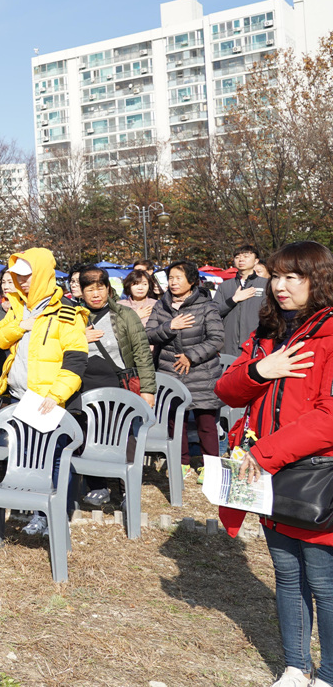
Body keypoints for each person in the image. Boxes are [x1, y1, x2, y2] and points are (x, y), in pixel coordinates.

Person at [216, 241, 333, 687]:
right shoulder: (269, 332)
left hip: (315, 476)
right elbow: (227, 390)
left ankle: (328, 674)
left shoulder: (330, 334)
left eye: (293, 277)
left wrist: (259, 457)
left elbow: (328, 418)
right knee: (286, 574)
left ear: (317, 280)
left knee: (324, 581)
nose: (280, 286)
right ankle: (295, 666)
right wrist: (262, 371)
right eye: (277, 276)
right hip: (265, 473)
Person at [0, 249, 88, 536]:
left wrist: (56, 395)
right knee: (28, 456)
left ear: (43, 274)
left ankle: (55, 516)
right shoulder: (17, 308)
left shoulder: (67, 312)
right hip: (20, 398)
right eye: (17, 277)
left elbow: (76, 359)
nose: (21, 283)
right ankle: (36, 511)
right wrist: (21, 326)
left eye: (27, 277)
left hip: (50, 401)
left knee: (56, 458)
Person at [74, 267, 158, 506]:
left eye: (100, 288)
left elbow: (143, 354)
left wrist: (148, 390)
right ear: (82, 292)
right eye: (90, 289)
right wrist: (80, 337)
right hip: (84, 387)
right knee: (87, 434)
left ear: (109, 289)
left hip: (118, 384)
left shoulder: (125, 315)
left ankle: (127, 489)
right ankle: (97, 486)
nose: (96, 294)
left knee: (125, 436)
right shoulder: (72, 317)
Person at [147, 260, 225, 483]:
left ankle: (210, 466)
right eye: (170, 278)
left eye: (178, 278)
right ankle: (181, 463)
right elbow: (148, 334)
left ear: (191, 281)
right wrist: (170, 327)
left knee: (206, 422)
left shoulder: (205, 306)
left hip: (202, 373)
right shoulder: (162, 305)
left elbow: (217, 339)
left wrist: (192, 355)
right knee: (174, 421)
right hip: (170, 371)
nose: (173, 282)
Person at [216, 244, 269, 358]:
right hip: (228, 346)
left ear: (256, 261)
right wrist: (233, 300)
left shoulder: (266, 285)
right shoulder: (225, 286)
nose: (241, 259)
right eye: (237, 257)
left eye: (246, 256)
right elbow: (213, 312)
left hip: (256, 344)